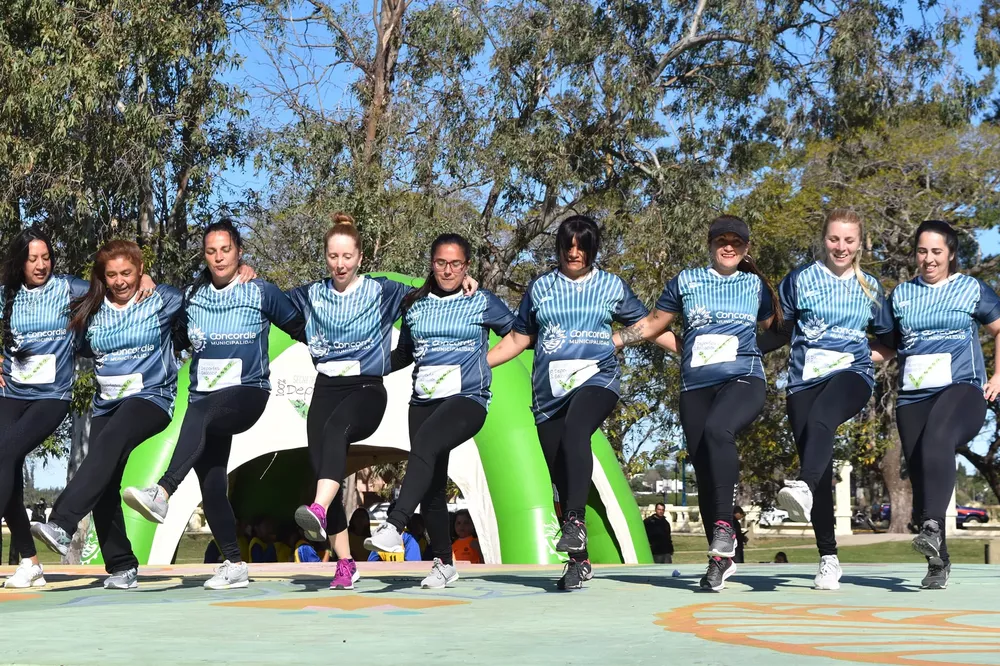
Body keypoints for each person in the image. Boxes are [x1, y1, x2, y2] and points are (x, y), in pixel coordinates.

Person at [286, 213, 476, 590]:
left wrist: (460, 281)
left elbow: (424, 292)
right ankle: (345, 563)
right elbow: (271, 301)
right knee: (324, 473)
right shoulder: (313, 294)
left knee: (337, 434)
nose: (340, 264)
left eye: (347, 256)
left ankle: (319, 509)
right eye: (333, 256)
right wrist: (247, 273)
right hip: (325, 390)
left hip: (366, 390)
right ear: (325, 257)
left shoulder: (381, 291)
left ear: (359, 257)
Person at [122, 219, 304, 591]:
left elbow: (300, 326)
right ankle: (234, 564)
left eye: (225, 250)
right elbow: (171, 336)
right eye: (211, 251)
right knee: (212, 485)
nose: (219, 257)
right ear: (204, 256)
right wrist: (145, 283)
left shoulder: (260, 291)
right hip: (205, 400)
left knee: (201, 414)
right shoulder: (192, 296)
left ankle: (162, 492)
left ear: (239, 252)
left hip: (247, 395)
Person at [614, 215, 776, 592]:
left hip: (743, 379)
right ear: (710, 244)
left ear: (746, 248)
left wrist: (749, 349)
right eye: (722, 241)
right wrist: (614, 341)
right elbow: (653, 324)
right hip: (696, 386)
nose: (729, 247)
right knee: (704, 473)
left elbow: (778, 330)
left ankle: (724, 528)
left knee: (719, 429)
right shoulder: (686, 281)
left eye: (737, 242)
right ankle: (719, 559)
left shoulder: (755, 286)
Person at [487, 215, 650, 591]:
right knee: (561, 476)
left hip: (597, 378)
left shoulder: (610, 285)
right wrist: (478, 364)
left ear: (593, 249)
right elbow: (519, 339)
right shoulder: (541, 287)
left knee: (578, 431)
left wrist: (626, 340)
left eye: (582, 246)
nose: (574, 253)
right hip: (549, 395)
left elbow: (648, 323)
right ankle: (579, 561)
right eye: (568, 246)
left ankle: (574, 522)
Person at [0, 228, 152, 589]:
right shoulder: (7, 294)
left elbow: (112, 285)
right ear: (20, 262)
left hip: (51, 397)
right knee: (6, 465)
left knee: (4, 453)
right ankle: (29, 563)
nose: (40, 265)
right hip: (11, 393)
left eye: (46, 257)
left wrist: (144, 278)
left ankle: (39, 556)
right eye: (32, 259)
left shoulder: (68, 288)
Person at [32, 240, 185, 590]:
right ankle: (122, 566)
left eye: (127, 273)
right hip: (106, 403)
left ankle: (62, 523)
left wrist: (243, 270)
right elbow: (52, 298)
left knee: (111, 440)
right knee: (103, 484)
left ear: (140, 270)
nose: (120, 281)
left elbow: (203, 293)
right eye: (112, 275)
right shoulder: (94, 308)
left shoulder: (163, 299)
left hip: (150, 399)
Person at [365, 233, 514, 588]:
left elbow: (520, 334)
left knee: (426, 444)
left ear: (467, 266)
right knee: (432, 485)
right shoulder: (413, 303)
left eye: (456, 264)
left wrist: (485, 362)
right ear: (431, 264)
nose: (448, 270)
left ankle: (395, 524)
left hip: (467, 399)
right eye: (441, 263)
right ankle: (444, 565)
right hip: (422, 402)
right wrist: (368, 366)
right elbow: (405, 354)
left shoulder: (481, 300)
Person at [758, 209, 894, 591]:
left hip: (852, 376)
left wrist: (863, 356)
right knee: (816, 463)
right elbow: (779, 331)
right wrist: (741, 348)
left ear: (860, 243)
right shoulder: (800, 279)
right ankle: (828, 558)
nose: (841, 247)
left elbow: (889, 341)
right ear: (824, 240)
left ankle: (801, 487)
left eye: (849, 240)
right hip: (804, 382)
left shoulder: (870, 287)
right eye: (835, 239)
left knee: (823, 419)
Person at [890, 220, 1000, 590]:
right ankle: (938, 561)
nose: (929, 259)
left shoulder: (970, 289)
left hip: (962, 391)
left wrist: (999, 376)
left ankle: (932, 527)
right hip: (912, 398)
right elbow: (886, 346)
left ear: (951, 254)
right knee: (923, 479)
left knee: (938, 436)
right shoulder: (902, 295)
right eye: (922, 251)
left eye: (937, 251)